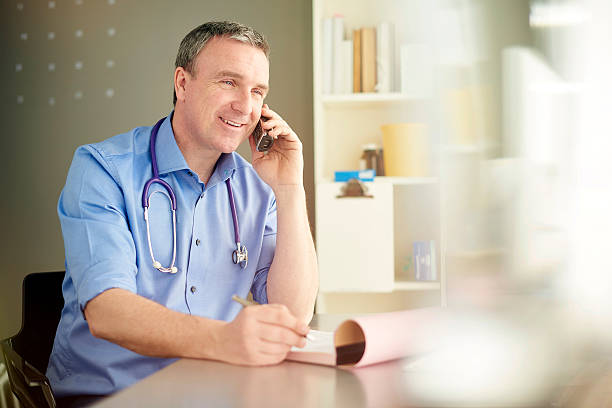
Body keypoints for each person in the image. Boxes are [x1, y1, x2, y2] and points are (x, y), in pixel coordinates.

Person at [46, 21, 318, 405]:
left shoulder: (259, 189)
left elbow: (292, 315)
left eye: (257, 91)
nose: (245, 106)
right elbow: (107, 311)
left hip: (212, 394)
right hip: (109, 397)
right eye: (228, 82)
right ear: (183, 84)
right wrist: (224, 339)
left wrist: (290, 189)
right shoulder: (102, 169)